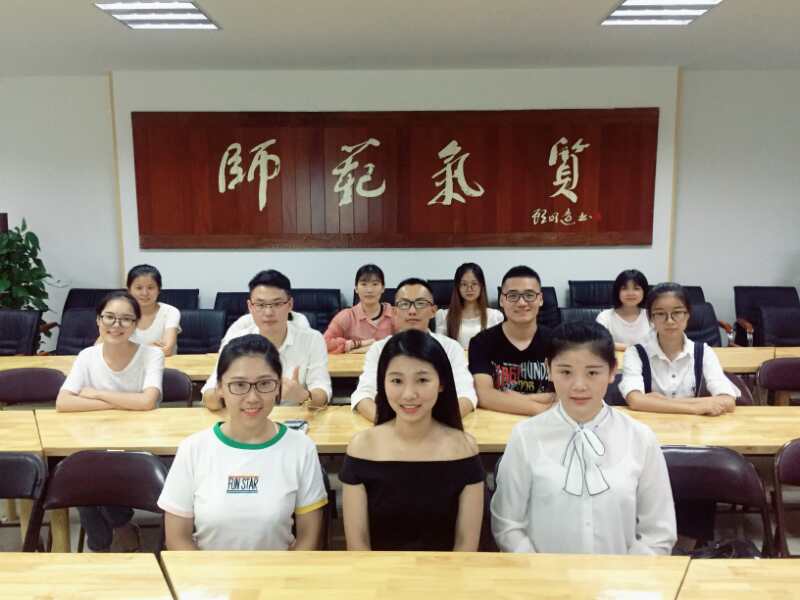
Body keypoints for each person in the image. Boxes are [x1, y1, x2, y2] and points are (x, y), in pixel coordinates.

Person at [491, 321, 676, 555]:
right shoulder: (525, 436)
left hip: (621, 575)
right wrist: (539, 570)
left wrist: (626, 574)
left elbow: (659, 532)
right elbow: (507, 525)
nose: (579, 386)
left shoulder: (640, 438)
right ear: (549, 369)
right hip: (543, 574)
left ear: (612, 371)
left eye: (592, 373)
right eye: (566, 372)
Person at [159, 334, 328, 550]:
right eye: (239, 385)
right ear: (219, 388)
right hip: (206, 570)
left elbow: (308, 539)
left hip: (278, 570)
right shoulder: (193, 449)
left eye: (264, 384)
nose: (252, 398)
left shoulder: (301, 448)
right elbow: (177, 539)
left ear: (278, 386)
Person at [341, 330, 484, 551]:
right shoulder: (362, 447)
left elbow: (466, 546)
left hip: (448, 571)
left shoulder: (464, 448)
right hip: (378, 572)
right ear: (383, 383)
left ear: (441, 383)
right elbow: (357, 546)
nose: (408, 394)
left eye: (422, 380)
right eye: (397, 380)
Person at [56, 291, 165, 552]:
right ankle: (115, 532)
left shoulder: (151, 355)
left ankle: (105, 540)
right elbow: (63, 402)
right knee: (82, 472)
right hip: (95, 439)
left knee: (93, 473)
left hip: (140, 443)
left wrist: (96, 394)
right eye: (109, 317)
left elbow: (148, 401)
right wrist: (126, 401)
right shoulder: (87, 356)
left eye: (126, 319)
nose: (116, 325)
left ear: (136, 324)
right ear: (98, 320)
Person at [350, 277, 478, 422]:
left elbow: (466, 395)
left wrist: (433, 426)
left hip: (439, 425)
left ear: (433, 311)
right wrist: (392, 425)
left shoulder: (451, 348)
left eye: (420, 303)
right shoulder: (379, 349)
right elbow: (363, 395)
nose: (412, 311)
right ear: (394, 312)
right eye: (404, 304)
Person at [202, 270, 331, 411]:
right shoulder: (235, 341)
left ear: (290, 305)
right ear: (250, 307)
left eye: (277, 304)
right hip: (246, 415)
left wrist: (304, 396)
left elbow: (323, 393)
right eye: (260, 305)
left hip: (293, 418)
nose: (268, 312)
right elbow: (209, 396)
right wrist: (224, 392)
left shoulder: (312, 340)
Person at [619, 282, 739, 416]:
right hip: (650, 425)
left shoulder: (703, 352)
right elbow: (635, 400)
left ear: (688, 314)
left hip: (694, 427)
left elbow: (728, 401)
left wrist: (660, 402)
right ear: (651, 318)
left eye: (677, 312)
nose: (670, 321)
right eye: (660, 314)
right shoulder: (636, 353)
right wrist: (695, 408)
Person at [468, 266, 554, 416]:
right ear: (502, 300)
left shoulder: (558, 342)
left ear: (540, 299)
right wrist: (541, 409)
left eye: (529, 295)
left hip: (547, 425)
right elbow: (483, 396)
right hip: (497, 423)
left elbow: (563, 394)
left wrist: (510, 399)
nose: (521, 302)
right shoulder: (481, 342)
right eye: (513, 295)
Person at [324, 264, 394, 354]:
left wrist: (374, 347)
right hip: (353, 363)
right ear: (356, 289)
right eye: (364, 284)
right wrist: (357, 344)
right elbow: (324, 343)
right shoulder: (346, 316)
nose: (369, 290)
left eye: (375, 284)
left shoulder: (395, 314)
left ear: (383, 288)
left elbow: (407, 341)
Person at [435, 263, 504, 350]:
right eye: (464, 284)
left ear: (481, 286)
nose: (469, 289)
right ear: (457, 287)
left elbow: (499, 350)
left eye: (474, 284)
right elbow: (440, 350)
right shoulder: (444, 316)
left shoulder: (495, 316)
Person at [595, 269, 651, 351]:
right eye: (624, 288)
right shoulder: (605, 317)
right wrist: (635, 349)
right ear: (617, 292)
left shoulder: (651, 315)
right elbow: (599, 342)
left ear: (644, 292)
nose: (630, 293)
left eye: (636, 288)